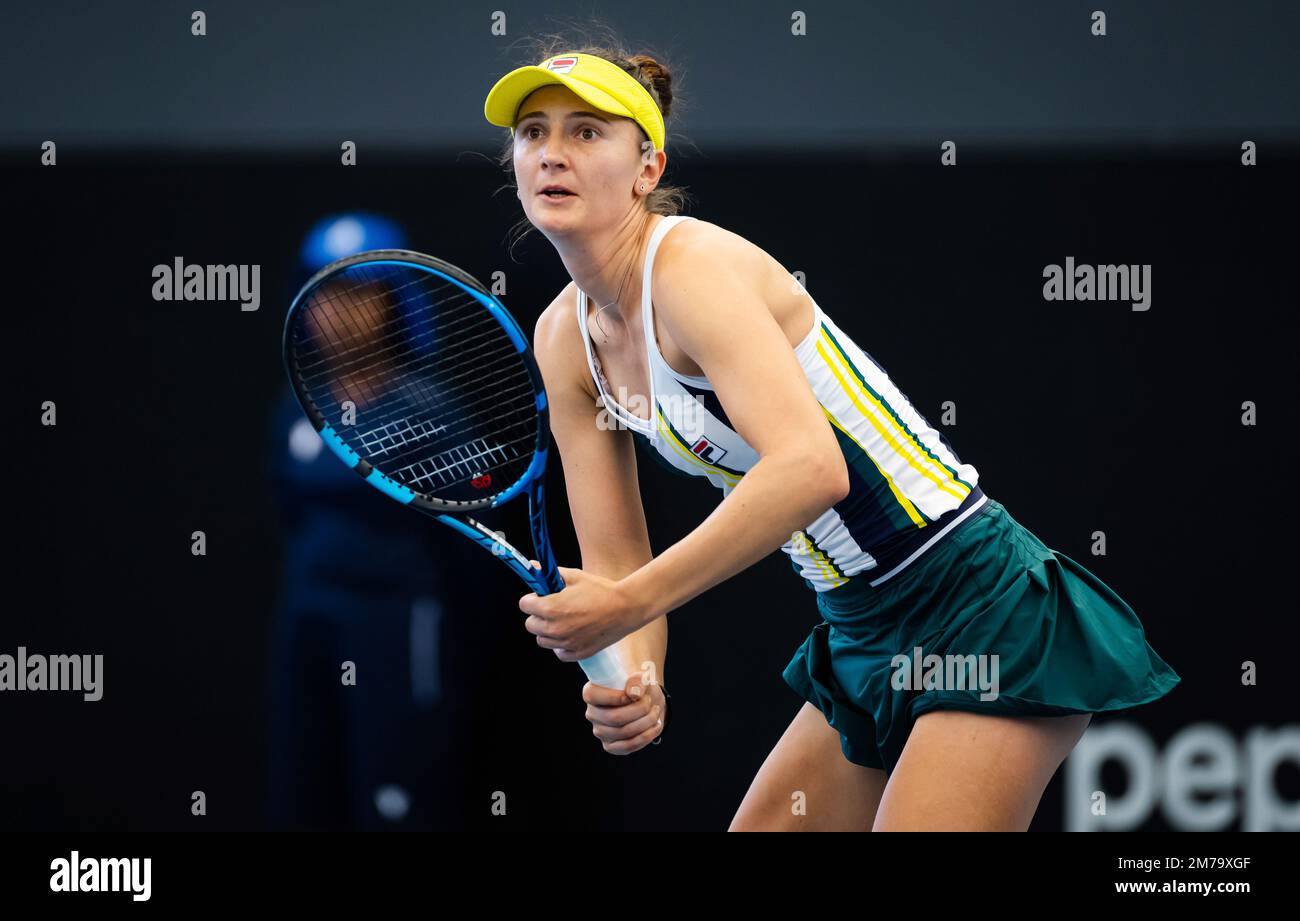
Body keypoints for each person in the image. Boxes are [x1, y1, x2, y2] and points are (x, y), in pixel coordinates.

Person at [484, 42, 1180, 831]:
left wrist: (625, 604)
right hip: (859, 627)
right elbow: (618, 566)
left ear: (647, 168)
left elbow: (810, 468)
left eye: (585, 132)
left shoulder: (690, 270)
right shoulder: (562, 342)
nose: (551, 153)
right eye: (533, 132)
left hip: (979, 603)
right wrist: (638, 672)